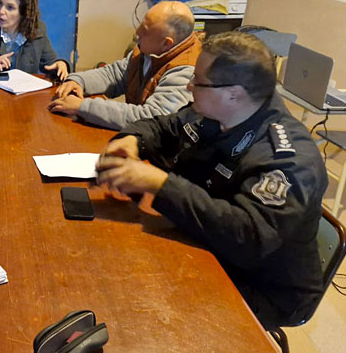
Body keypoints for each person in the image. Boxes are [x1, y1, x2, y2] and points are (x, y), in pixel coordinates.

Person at [96, 32, 327, 329]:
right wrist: (132, 140)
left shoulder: (286, 160)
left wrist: (161, 184)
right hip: (209, 241)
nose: (190, 86)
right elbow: (165, 126)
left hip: (263, 284)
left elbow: (248, 238)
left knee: (140, 308)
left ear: (233, 93)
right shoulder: (217, 107)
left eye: (198, 81)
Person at [49, 1, 200, 130]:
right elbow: (114, 74)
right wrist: (78, 81)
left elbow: (151, 119)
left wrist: (83, 107)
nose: (137, 33)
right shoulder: (150, 50)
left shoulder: (186, 71)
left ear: (167, 43)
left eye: (145, 31)